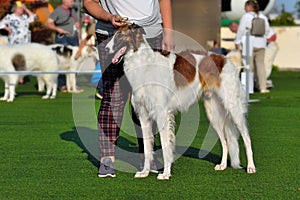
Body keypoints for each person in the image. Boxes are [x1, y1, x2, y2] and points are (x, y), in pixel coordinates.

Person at [83, 0, 174, 178]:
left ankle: (148, 156)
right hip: (110, 33)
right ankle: (107, 158)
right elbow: (89, 2)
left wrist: (168, 31)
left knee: (151, 99)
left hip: (151, 32)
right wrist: (109, 17)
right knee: (114, 95)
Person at [233, 0, 270, 93]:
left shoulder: (246, 16)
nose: (244, 8)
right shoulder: (263, 16)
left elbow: (241, 30)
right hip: (261, 44)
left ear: (249, 7)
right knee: (261, 66)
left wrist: (237, 41)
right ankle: (262, 87)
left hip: (249, 44)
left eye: (245, 6)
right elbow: (267, 30)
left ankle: (248, 88)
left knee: (248, 66)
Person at [229, 20, 278, 88]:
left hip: (267, 46)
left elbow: (273, 36)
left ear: (235, 26)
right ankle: (253, 84)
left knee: (263, 65)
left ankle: (261, 84)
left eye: (232, 29)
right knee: (250, 66)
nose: (232, 31)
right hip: (255, 48)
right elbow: (238, 44)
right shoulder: (242, 31)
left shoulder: (247, 27)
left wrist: (262, 42)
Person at [46, 0, 80, 92]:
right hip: (62, 38)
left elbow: (76, 21)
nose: (73, 2)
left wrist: (77, 24)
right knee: (61, 62)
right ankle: (62, 85)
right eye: (71, 0)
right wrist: (58, 29)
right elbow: (48, 23)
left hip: (74, 37)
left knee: (74, 62)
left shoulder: (74, 10)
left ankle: (73, 85)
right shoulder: (57, 11)